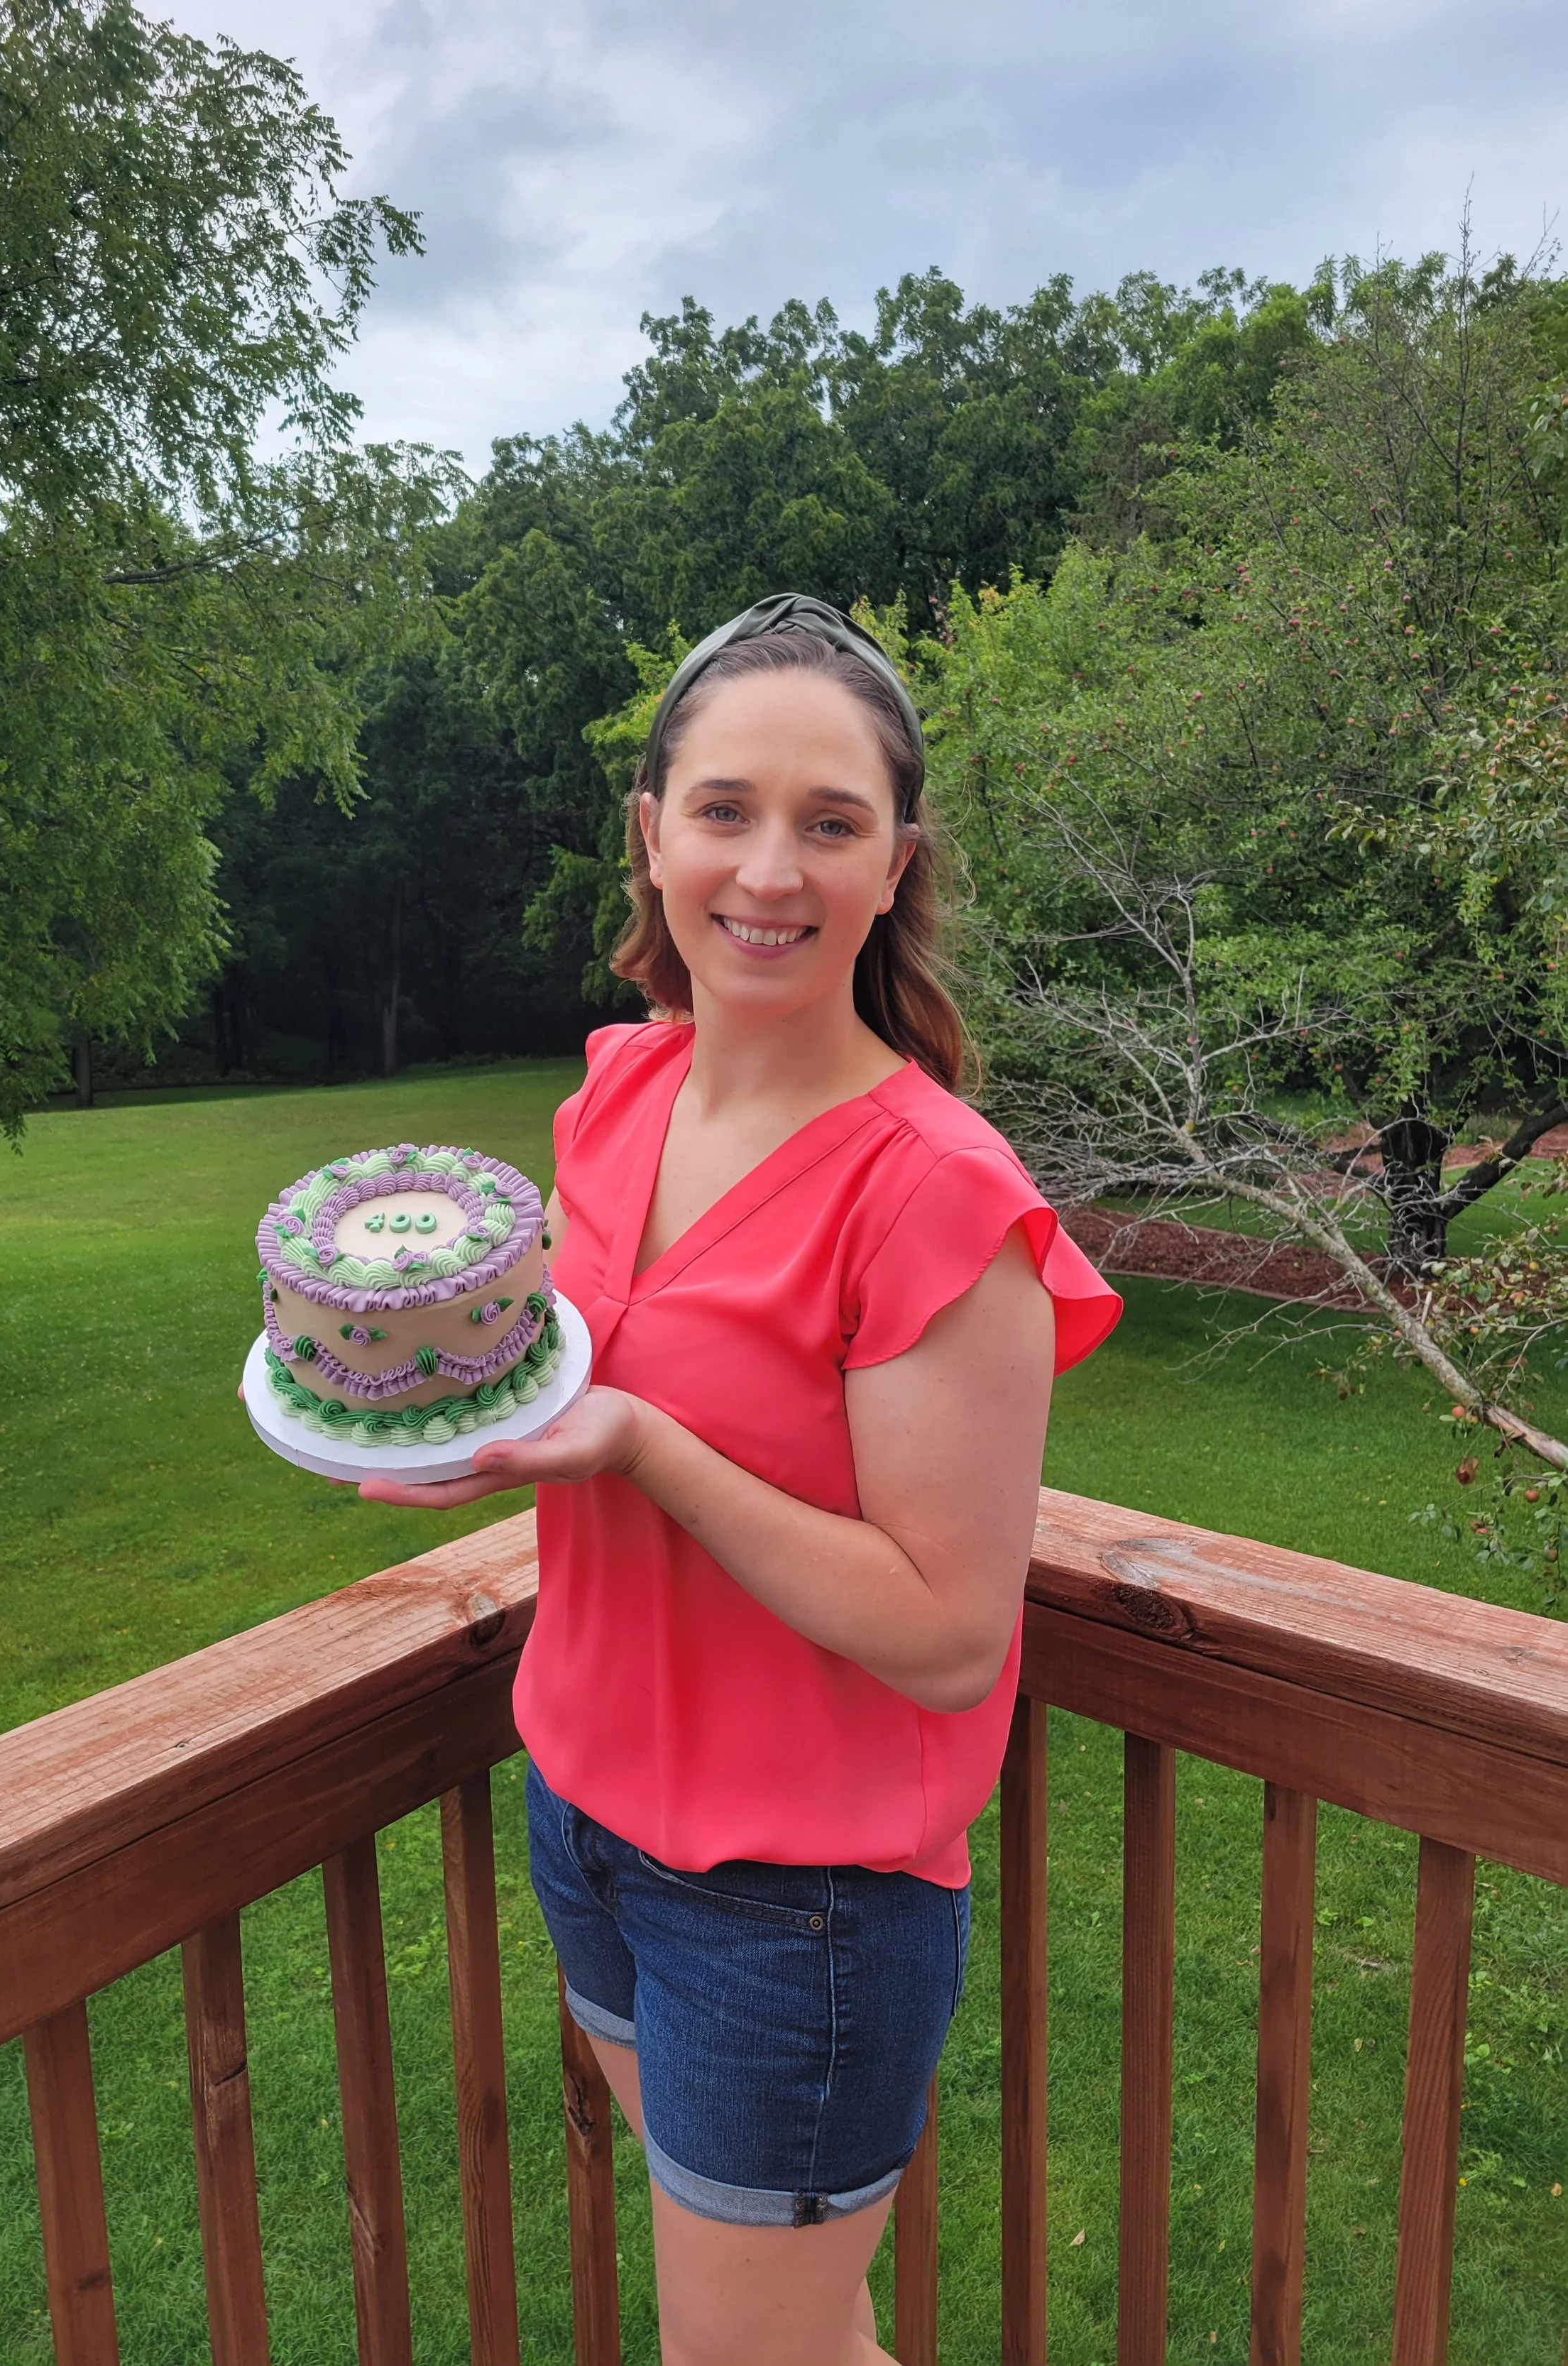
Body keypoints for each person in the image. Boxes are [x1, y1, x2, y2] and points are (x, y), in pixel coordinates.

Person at [356, 596, 1119, 2366]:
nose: (766, 868)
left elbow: (943, 1635)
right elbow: (570, 1378)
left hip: (799, 1906)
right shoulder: (616, 1093)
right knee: (794, 2336)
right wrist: (451, 1429)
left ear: (892, 862)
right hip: (589, 1819)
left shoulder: (932, 1191)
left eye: (828, 822)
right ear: (652, 831)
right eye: (722, 809)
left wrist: (643, 1447)